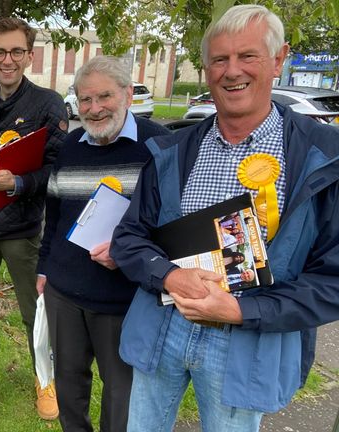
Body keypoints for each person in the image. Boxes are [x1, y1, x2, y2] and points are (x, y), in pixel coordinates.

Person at [111, 5, 339, 431]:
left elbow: (332, 280)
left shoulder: (323, 156)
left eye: (247, 56)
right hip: (164, 325)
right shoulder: (174, 149)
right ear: (206, 68)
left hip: (248, 342)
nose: (231, 71)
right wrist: (169, 277)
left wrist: (237, 311)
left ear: (278, 59)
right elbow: (129, 237)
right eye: (219, 59)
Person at [36, 56, 170, 432]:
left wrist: (129, 251)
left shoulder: (159, 145)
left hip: (124, 300)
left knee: (121, 396)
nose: (94, 109)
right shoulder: (70, 146)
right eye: (84, 100)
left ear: (128, 93)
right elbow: (54, 213)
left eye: (104, 97)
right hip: (64, 294)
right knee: (69, 387)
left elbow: (173, 222)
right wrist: (44, 268)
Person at [0, 16, 68, 432]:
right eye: (0, 51)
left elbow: (56, 171)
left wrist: (20, 183)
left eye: (16, 51)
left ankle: (45, 380)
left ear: (29, 55)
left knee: (32, 312)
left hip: (20, 231)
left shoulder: (47, 104)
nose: (8, 59)